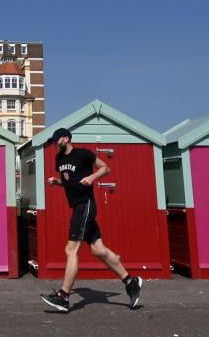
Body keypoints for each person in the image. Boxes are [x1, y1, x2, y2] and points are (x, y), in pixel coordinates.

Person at [40, 128, 142, 312]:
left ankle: (63, 297)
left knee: (71, 249)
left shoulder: (83, 154)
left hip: (85, 205)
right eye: (54, 141)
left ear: (67, 138)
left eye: (58, 139)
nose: (55, 143)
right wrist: (58, 182)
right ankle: (130, 281)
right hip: (77, 206)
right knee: (98, 250)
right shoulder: (59, 159)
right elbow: (70, 182)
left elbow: (105, 167)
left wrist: (92, 177)